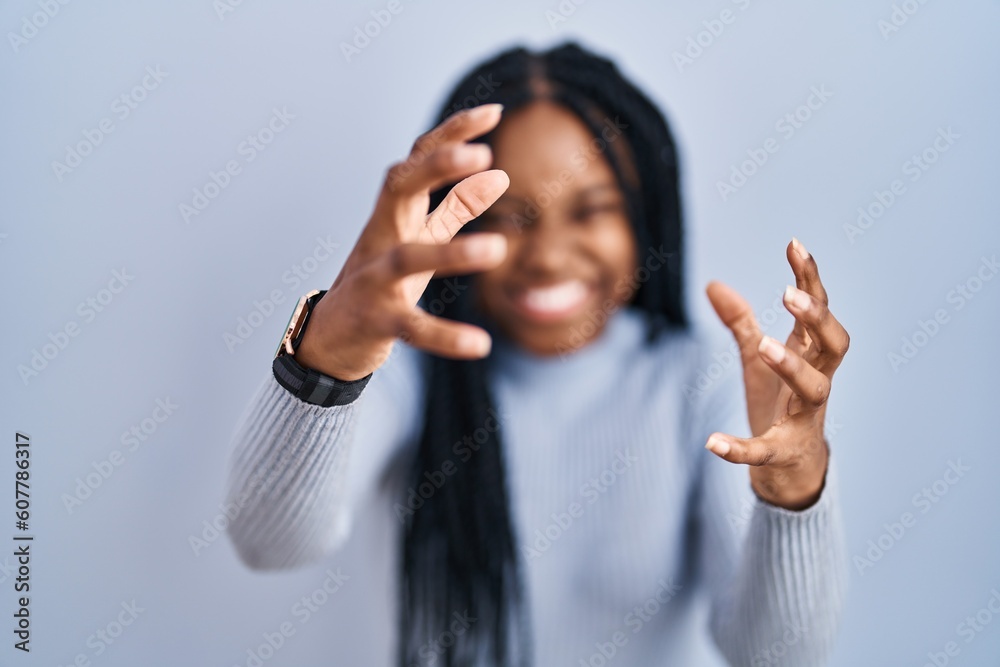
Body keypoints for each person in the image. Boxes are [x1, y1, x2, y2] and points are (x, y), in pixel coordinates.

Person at [223, 42, 850, 666]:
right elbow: (270, 544)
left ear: (645, 217)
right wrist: (325, 363)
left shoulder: (698, 382)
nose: (548, 255)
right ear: (456, 223)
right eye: (507, 215)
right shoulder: (406, 366)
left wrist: (793, 492)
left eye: (591, 210)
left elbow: (777, 657)